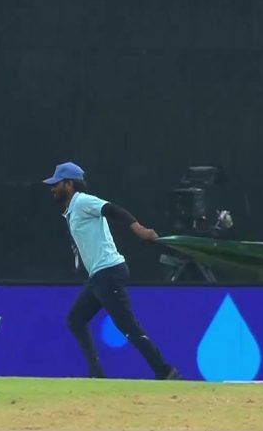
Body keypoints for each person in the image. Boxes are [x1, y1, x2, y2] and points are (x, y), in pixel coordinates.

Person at [43, 161, 179, 380]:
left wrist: (139, 230)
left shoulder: (81, 201)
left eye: (56, 184)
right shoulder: (73, 210)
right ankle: (96, 373)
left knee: (128, 328)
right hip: (99, 276)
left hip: (109, 272)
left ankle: (166, 371)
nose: (52, 188)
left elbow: (114, 209)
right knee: (75, 319)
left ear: (69, 184)